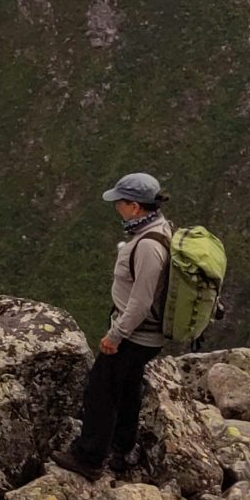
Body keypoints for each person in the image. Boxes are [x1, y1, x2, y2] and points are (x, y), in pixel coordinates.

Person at [60, 170, 173, 477]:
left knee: (100, 390)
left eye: (120, 202)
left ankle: (89, 458)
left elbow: (140, 301)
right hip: (143, 336)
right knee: (126, 389)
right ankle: (121, 449)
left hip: (136, 336)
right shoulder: (158, 229)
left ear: (135, 207)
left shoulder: (148, 245)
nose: (116, 208)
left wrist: (116, 335)